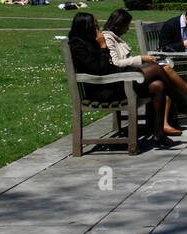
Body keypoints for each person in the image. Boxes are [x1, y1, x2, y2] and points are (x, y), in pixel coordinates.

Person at [102, 9, 187, 133]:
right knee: (164, 70)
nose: (127, 29)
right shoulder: (108, 38)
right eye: (126, 25)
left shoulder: (114, 37)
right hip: (124, 80)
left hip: (129, 76)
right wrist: (141, 58)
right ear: (119, 24)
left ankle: (163, 125)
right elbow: (116, 63)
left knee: (161, 83)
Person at [69, 12, 176, 147]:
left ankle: (158, 133)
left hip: (112, 82)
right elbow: (101, 70)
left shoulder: (91, 41)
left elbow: (108, 67)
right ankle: (182, 102)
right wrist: (103, 47)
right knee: (156, 69)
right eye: (95, 26)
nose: (98, 30)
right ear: (86, 27)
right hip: (102, 90)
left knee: (158, 85)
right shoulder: (78, 46)